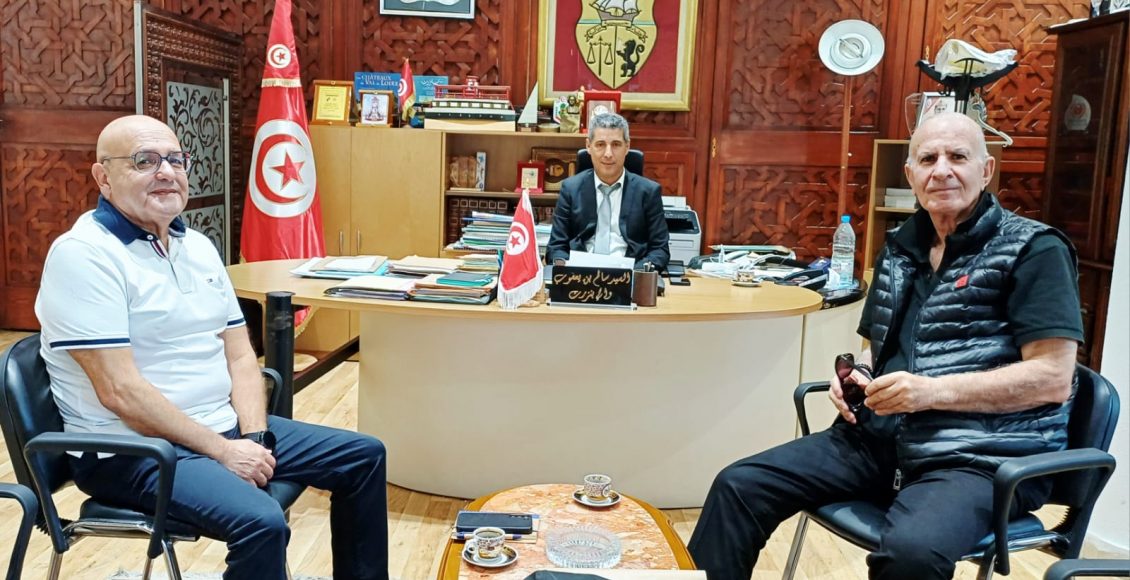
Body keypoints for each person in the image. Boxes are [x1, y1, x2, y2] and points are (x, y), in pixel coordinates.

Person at [688, 112, 1083, 580]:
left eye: (958, 157)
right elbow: (876, 350)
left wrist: (930, 392)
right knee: (739, 485)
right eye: (928, 159)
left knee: (911, 553)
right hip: (878, 442)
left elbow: (1053, 378)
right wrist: (857, 377)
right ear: (910, 174)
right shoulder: (900, 246)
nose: (942, 170)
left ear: (987, 170)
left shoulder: (1035, 250)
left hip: (978, 457)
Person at [34, 115, 390, 580]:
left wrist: (254, 438)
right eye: (144, 161)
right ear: (104, 177)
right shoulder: (84, 255)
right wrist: (223, 451)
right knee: (261, 522)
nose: (166, 172)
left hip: (220, 428)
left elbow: (240, 355)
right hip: (134, 452)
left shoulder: (197, 245)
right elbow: (121, 392)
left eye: (175, 160)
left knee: (362, 456)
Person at [545, 112, 670, 270]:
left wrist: (635, 274)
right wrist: (568, 270)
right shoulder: (570, 189)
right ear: (588, 146)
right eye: (600, 145)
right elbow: (556, 247)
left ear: (627, 147)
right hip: (581, 276)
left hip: (629, 274)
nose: (608, 154)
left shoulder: (648, 192)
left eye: (616, 144)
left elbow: (660, 250)